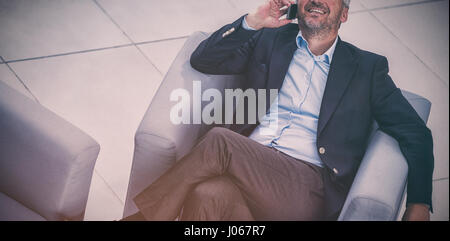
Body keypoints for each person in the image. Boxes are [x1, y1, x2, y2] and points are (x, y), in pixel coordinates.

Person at [123, 0, 434, 221]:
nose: (316, 0)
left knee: (220, 141)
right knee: (206, 195)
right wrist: (252, 22)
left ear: (344, 14)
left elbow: (415, 133)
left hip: (306, 189)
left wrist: (419, 203)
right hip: (248, 167)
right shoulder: (271, 40)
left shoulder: (366, 69)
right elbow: (203, 60)